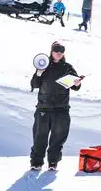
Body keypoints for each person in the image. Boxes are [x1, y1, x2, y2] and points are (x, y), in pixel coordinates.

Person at [29, 42, 82, 172]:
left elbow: (76, 86)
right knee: (39, 136)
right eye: (56, 50)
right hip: (43, 108)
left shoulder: (67, 67)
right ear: (51, 51)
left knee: (58, 137)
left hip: (61, 109)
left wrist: (77, 83)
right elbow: (34, 84)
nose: (59, 53)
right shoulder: (43, 65)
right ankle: (36, 162)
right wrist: (39, 73)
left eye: (61, 51)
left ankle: (53, 162)